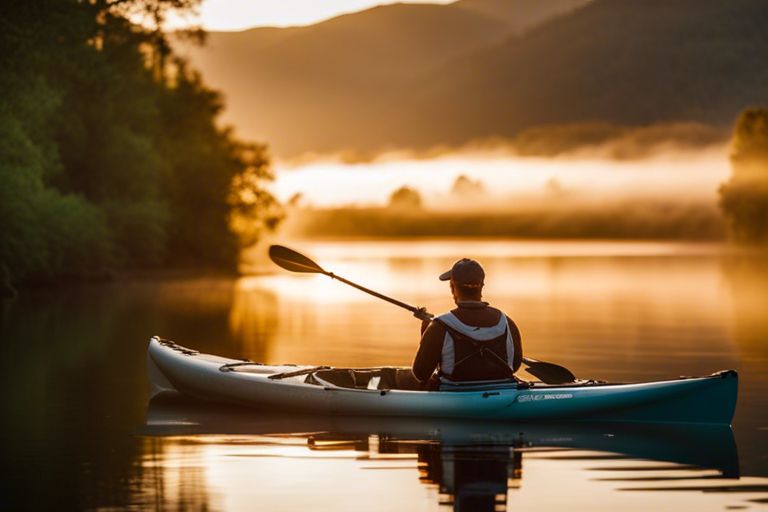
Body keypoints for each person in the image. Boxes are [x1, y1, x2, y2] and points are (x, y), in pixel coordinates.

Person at [411, 258, 523, 389]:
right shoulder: (507, 322)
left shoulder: (438, 326)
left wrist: (427, 330)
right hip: (503, 393)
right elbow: (514, 366)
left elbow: (421, 374)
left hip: (454, 395)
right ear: (482, 285)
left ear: (453, 287)